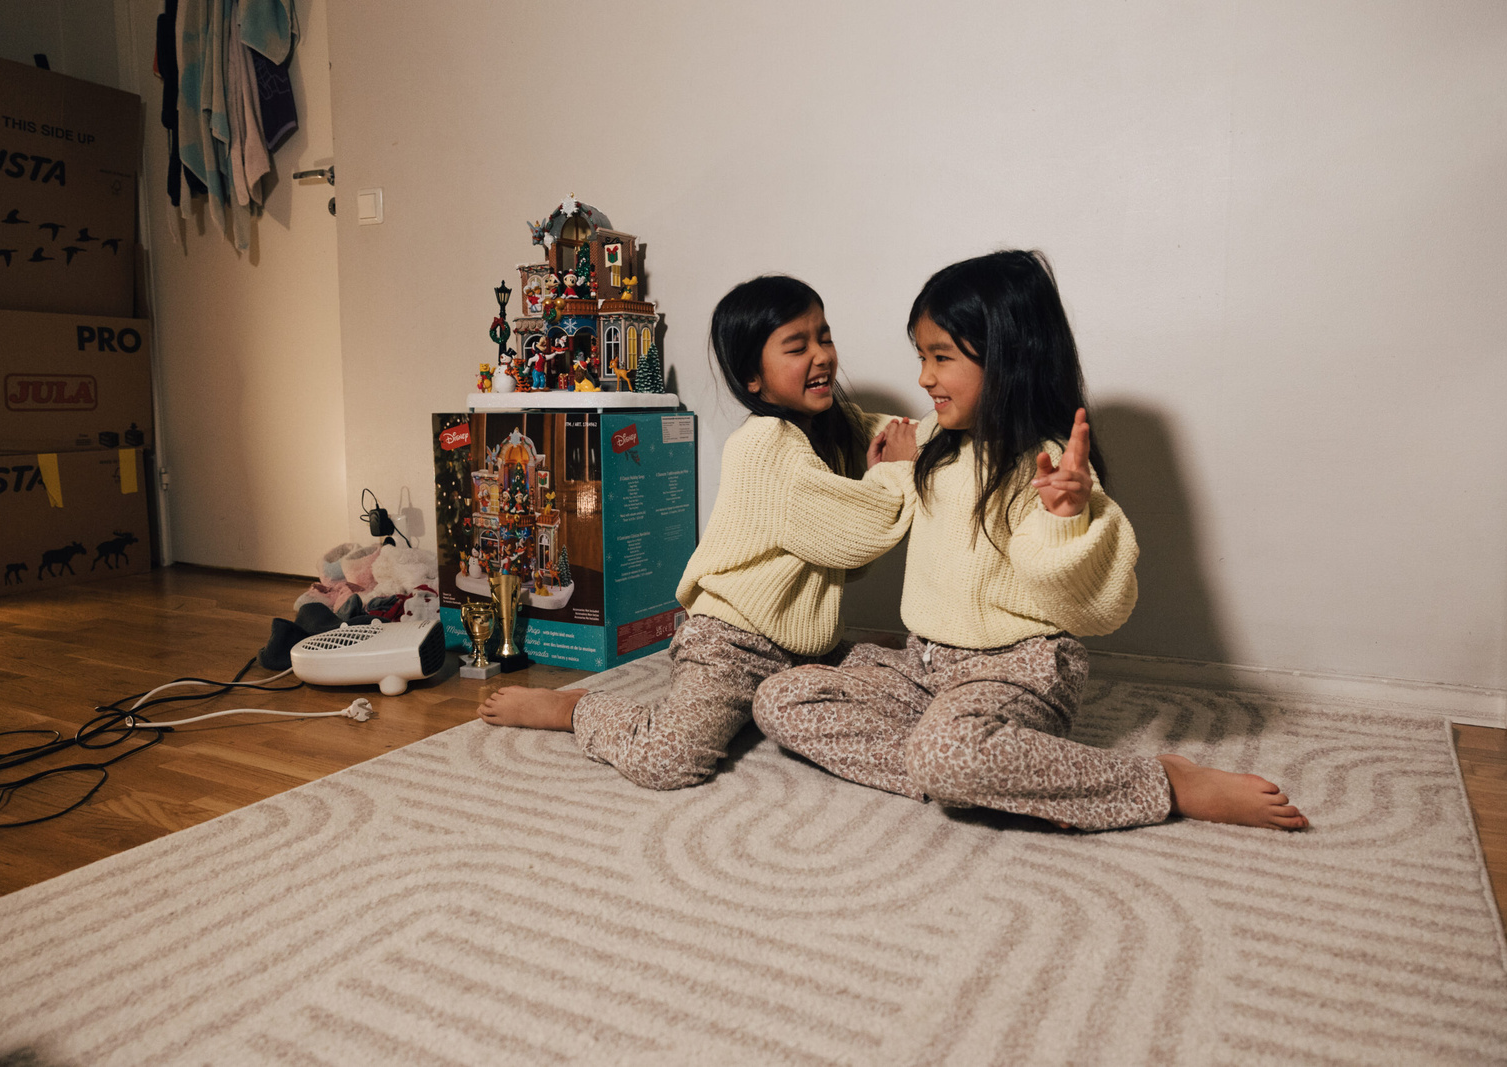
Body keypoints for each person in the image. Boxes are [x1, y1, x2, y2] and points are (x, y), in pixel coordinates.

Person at [751, 251, 1307, 832]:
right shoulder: (935, 438)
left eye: (941, 357)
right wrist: (864, 452)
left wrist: (1066, 517)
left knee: (951, 755)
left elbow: (1093, 608)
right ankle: (1016, 779)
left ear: (1008, 359)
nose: (924, 378)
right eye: (921, 357)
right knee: (781, 696)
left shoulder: (1049, 467)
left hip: (1017, 671)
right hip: (925, 665)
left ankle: (1163, 782)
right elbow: (869, 438)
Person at [477, 275, 919, 789]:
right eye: (798, 347)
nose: (821, 356)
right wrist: (896, 470)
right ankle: (572, 708)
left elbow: (907, 434)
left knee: (910, 677)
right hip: (731, 642)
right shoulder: (763, 444)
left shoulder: (835, 426)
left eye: (825, 337)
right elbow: (861, 530)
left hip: (803, 645)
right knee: (667, 759)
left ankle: (794, 687)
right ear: (752, 377)